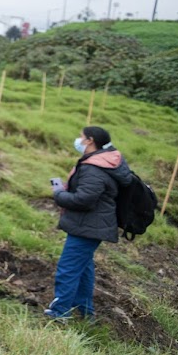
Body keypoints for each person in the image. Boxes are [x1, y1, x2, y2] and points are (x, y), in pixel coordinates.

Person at [45, 125, 132, 321]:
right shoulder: (105, 161)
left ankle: (59, 313)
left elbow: (84, 200)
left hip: (88, 226)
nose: (78, 140)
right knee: (83, 268)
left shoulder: (94, 168)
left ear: (90, 140)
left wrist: (60, 195)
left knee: (68, 268)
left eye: (81, 137)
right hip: (92, 225)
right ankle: (86, 313)